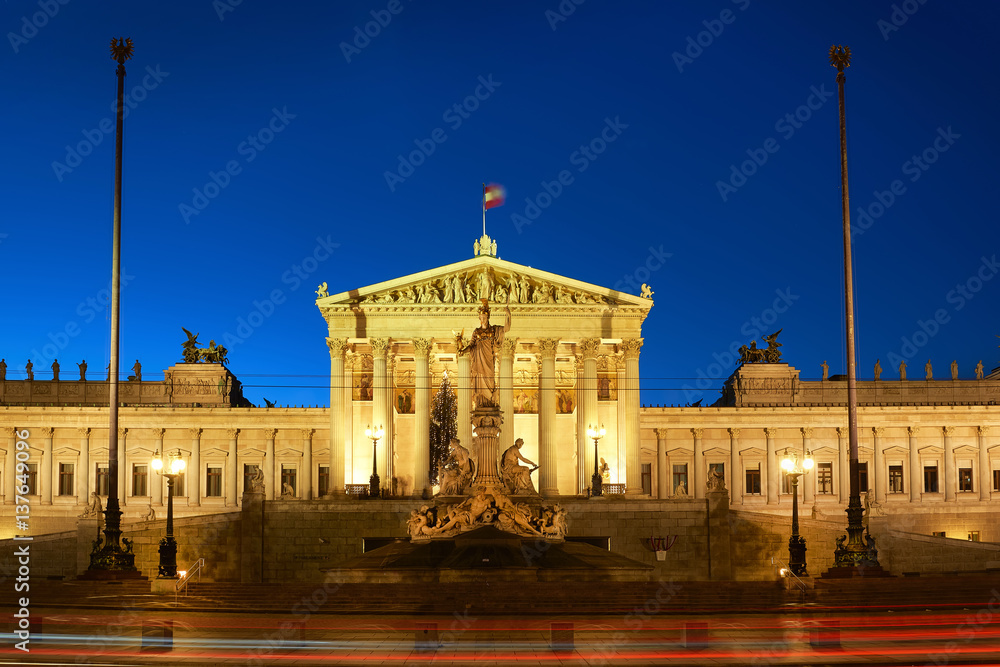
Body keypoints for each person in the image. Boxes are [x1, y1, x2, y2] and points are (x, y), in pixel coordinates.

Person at [456, 297, 511, 409]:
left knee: (490, 381)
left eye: (484, 317)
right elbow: (471, 346)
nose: (483, 319)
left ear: (488, 317)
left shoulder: (494, 330)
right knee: (479, 383)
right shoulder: (476, 332)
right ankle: (481, 404)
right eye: (481, 317)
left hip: (488, 360)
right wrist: (463, 350)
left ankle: (490, 402)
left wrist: (508, 315)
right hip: (478, 361)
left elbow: (507, 328)